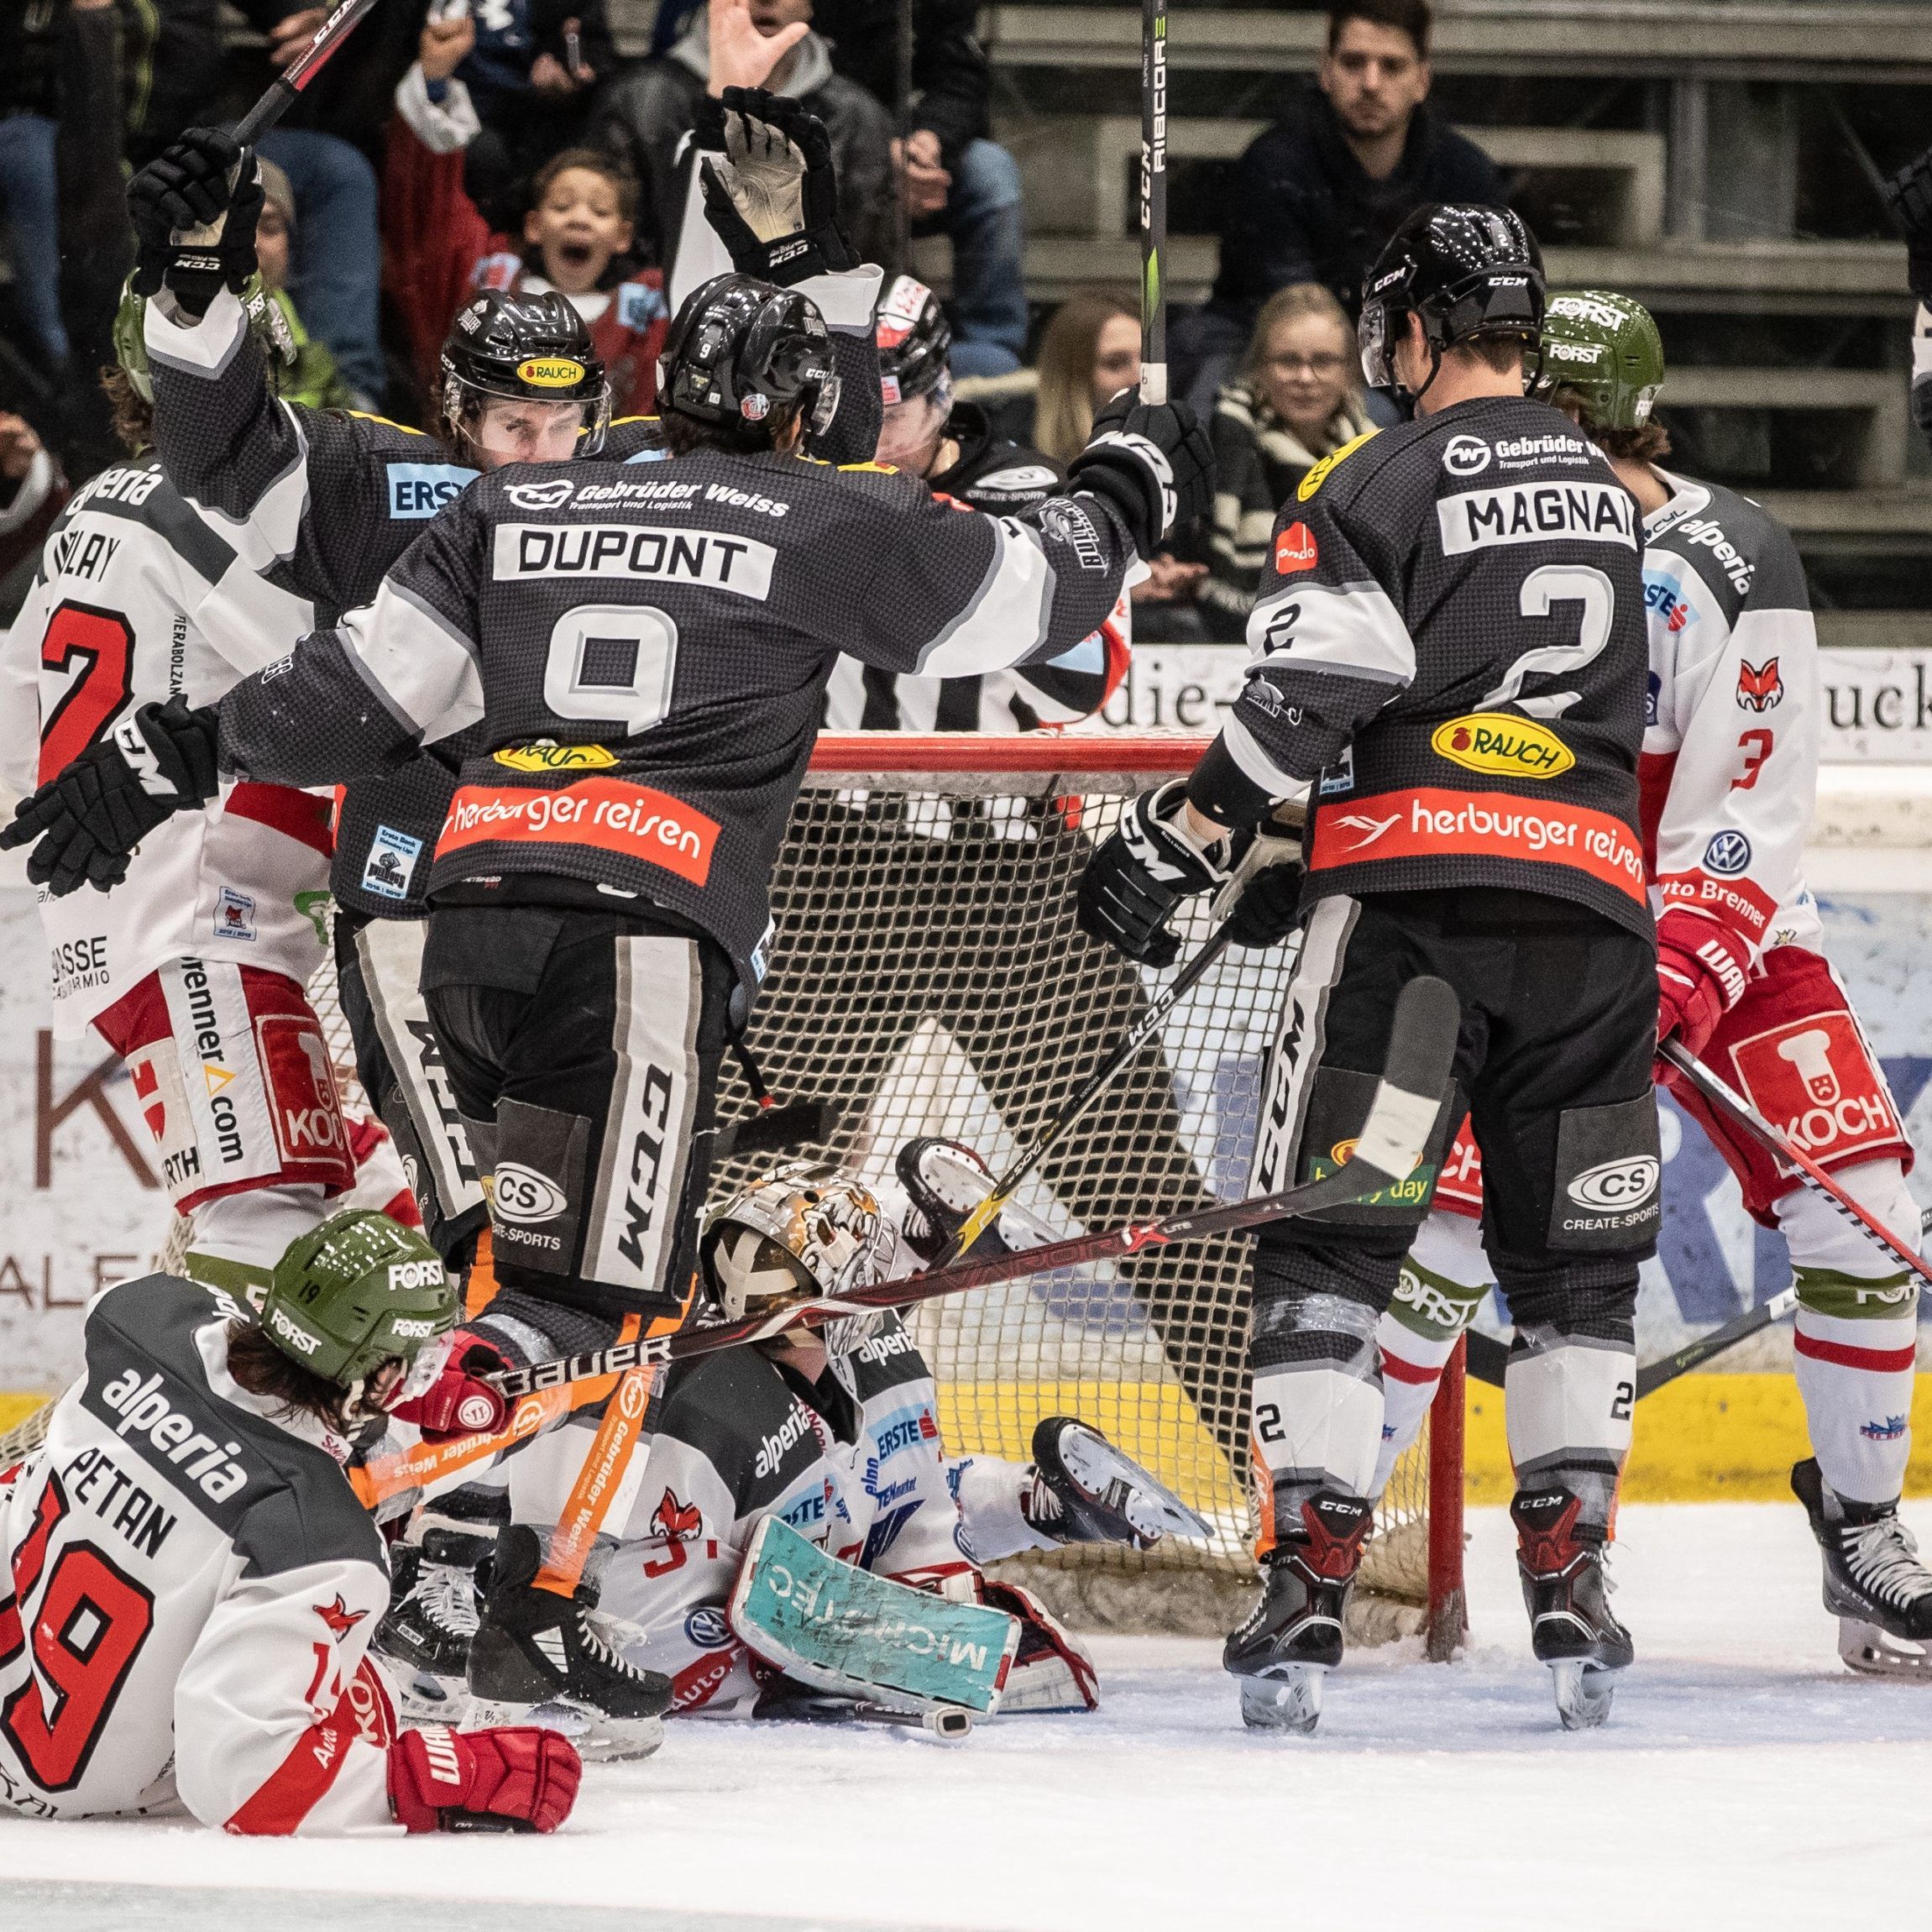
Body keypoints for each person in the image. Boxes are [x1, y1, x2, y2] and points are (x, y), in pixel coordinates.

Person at [4, 220, 1208, 1757]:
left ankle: (500, 1583)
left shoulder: (511, 512)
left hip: (452, 917)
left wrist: (176, 743)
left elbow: (354, 696)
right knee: (583, 1305)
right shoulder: (805, 513)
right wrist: (1131, 469)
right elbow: (1033, 596)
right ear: (792, 413)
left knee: (528, 1281)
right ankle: (458, 1595)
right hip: (628, 934)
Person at [1077, 204, 1659, 1736]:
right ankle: (1575, 1571)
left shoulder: (1368, 476)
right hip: (1594, 925)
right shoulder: (1607, 493)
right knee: (1572, 1266)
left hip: (1412, 931)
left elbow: (1328, 677)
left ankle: (1312, 1567)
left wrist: (1189, 832)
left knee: (1333, 1245)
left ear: (1409, 330)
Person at [1370, 290, 1932, 1678]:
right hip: (1524, 927)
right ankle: (1302, 1535)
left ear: (1583, 418)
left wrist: (1673, 973)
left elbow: (1751, 809)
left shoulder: (1727, 557)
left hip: (1714, 950)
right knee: (1435, 1237)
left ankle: (1863, 1530)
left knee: (1864, 1215)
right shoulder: (1456, 536)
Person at [0, 282, 416, 1298]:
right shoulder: (227, 525)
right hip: (200, 926)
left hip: (141, 917)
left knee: (376, 1211)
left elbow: (19, 705)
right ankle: (211, 1450)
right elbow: (366, 688)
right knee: (265, 1239)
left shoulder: (88, 508)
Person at [0, 1208, 579, 1836]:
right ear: (381, 1373)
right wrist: (443, 1774)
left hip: (25, 1642)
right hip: (72, 1785)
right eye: (423, 1357)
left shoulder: (138, 1314)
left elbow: (254, 1430)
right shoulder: (321, 1542)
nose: (431, 1371)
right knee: (367, 1694)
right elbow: (241, 1777)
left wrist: (387, 1410)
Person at [601, 1153, 1187, 1716]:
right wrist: (796, 1675)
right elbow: (639, 1632)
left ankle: (1037, 1504)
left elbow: (893, 1504)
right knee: (1046, 1661)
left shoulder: (873, 1361)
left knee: (1029, 1649)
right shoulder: (713, 1407)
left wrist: (1032, 1506)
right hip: (666, 1612)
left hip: (779, 1583)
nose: (889, 1291)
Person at [1173, 0, 1506, 418]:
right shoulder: (1275, 162)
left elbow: (1478, 312)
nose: (1370, 82)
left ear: (1422, 80)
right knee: (1210, 397)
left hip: (1413, 354)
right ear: (1326, 71)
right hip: (1266, 343)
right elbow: (1292, 316)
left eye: (1392, 66)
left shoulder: (1465, 173)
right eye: (1353, 62)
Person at [387, 8, 670, 422]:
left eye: (599, 210)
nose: (579, 218)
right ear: (534, 226)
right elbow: (430, 210)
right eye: (561, 205)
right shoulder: (486, 277)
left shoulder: (648, 313)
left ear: (623, 237)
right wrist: (435, 81)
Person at [589, 0, 897, 275]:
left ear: (810, 5)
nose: (765, 1)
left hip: (815, 313)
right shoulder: (640, 99)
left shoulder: (858, 115)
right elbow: (612, 233)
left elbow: (869, 253)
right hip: (663, 314)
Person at [1199, 284, 1375, 642]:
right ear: (1260, 368)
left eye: (1323, 362)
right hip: (1228, 634)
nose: (1305, 378)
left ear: (1349, 370)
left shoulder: (1372, 449)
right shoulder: (1222, 437)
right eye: (1288, 361)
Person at [1036, 295, 1206, 625]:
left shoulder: (1183, 458)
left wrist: (1177, 575)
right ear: (1071, 381)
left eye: (1147, 363)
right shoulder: (1032, 475)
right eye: (1115, 364)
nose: (1139, 379)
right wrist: (1124, 586)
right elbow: (1029, 590)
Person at [254, 160, 360, 415]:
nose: (254, 243)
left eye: (270, 228)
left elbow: (337, 404)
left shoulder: (281, 307)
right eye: (236, 228)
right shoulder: (183, 317)